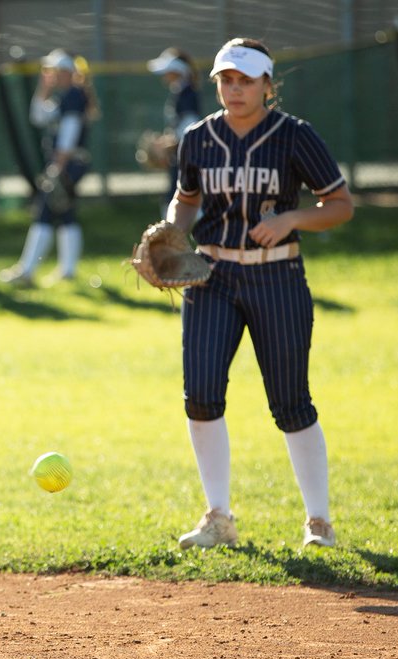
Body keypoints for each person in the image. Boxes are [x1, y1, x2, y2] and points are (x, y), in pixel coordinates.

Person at [169, 38, 354, 551]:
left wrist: (292, 218)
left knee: (291, 403)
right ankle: (218, 518)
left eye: (246, 80)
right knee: (201, 397)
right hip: (211, 277)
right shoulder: (198, 138)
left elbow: (340, 205)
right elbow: (186, 203)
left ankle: (318, 521)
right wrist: (168, 232)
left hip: (277, 277)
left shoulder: (294, 136)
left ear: (268, 85)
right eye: (226, 80)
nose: (235, 89)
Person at [0, 49, 94, 289]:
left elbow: (69, 136)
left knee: (44, 212)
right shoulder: (64, 96)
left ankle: (27, 270)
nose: (51, 74)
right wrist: (44, 88)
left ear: (67, 72)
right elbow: (38, 117)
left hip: (66, 164)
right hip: (65, 164)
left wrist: (57, 168)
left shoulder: (74, 95)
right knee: (65, 214)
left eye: (55, 70)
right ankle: (67, 271)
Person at [146, 47, 202, 216]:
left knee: (179, 203)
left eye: (168, 71)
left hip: (187, 158)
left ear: (178, 71)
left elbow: (190, 127)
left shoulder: (187, 94)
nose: (164, 75)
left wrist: (166, 144)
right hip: (182, 157)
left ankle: (170, 239)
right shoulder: (180, 92)